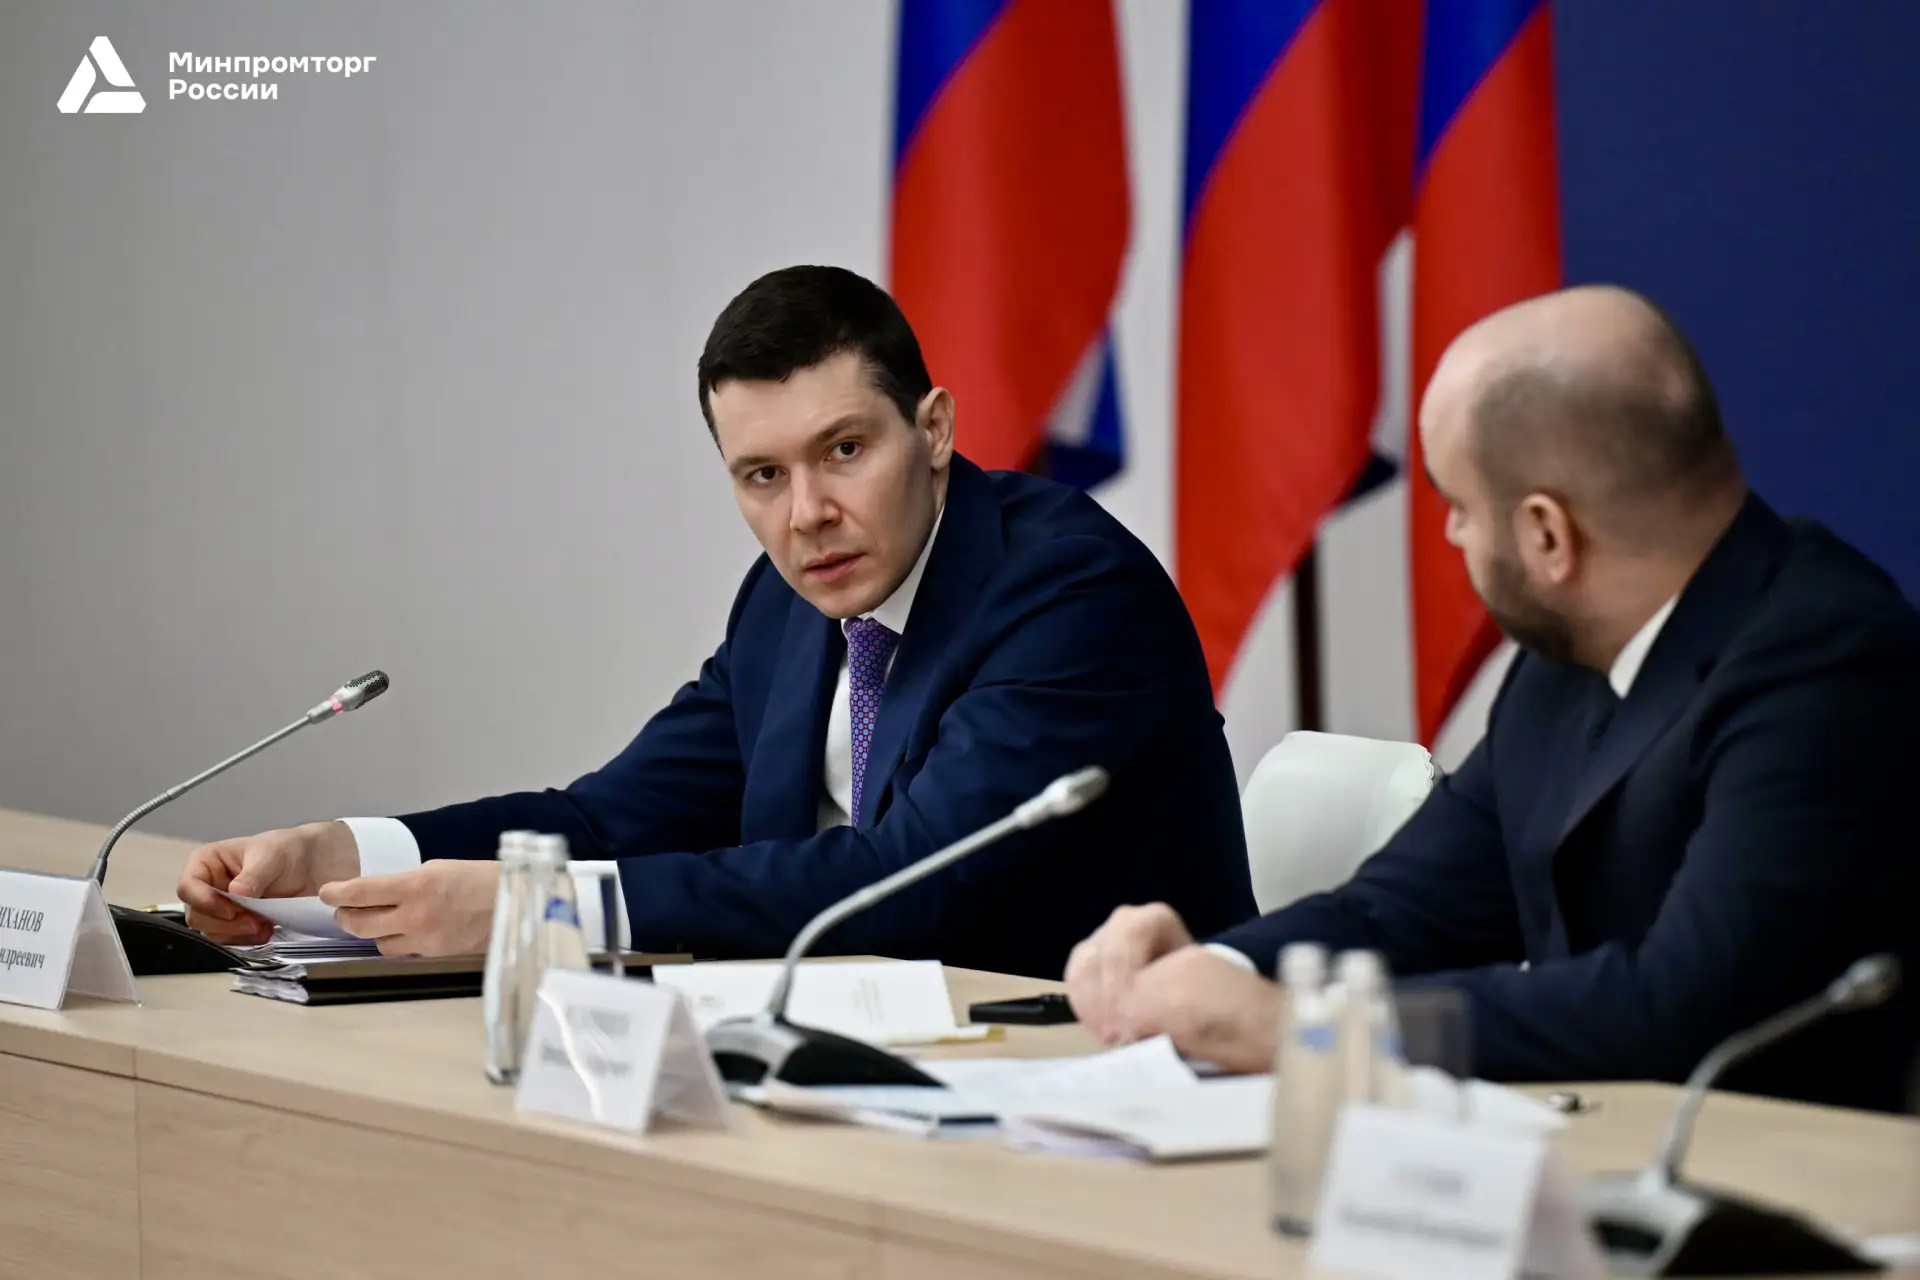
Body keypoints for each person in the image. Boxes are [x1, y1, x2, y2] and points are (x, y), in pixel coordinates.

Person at [176, 265, 1254, 977]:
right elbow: (613, 819)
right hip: (859, 1058)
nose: (806, 514)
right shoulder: (787, 602)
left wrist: (544, 909)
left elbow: (909, 883)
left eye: (844, 450)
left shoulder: (1068, 592)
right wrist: (349, 850)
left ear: (933, 430)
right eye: (761, 474)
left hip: (1089, 1067)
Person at [1066, 285, 1920, 1112]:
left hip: (1784, 1177)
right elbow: (1403, 910)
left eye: (1460, 508)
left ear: (1548, 534)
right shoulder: (1569, 653)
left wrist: (1306, 1028)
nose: (1451, 535)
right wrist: (1214, 969)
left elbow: (1681, 1006)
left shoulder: (1828, 663)